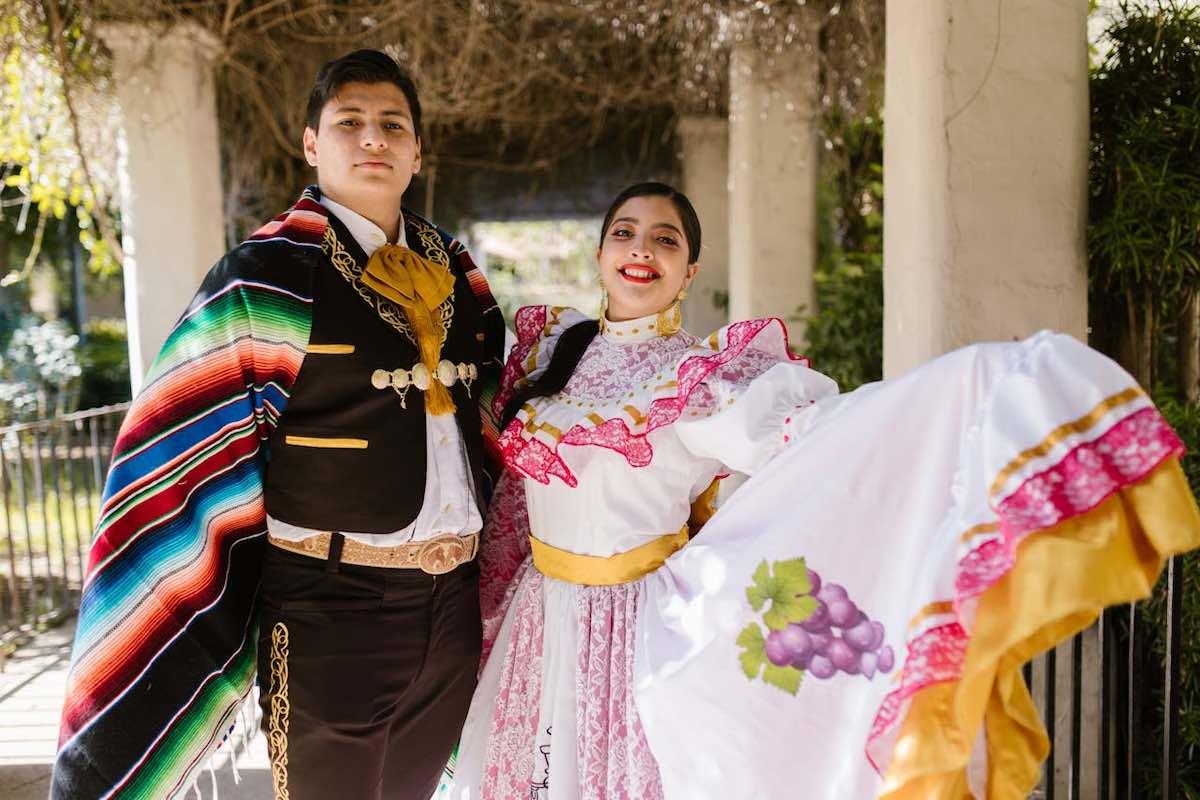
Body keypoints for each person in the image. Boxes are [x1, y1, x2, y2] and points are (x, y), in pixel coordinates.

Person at [446, 181, 1200, 799]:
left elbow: (812, 437)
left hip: (629, 636)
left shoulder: (701, 380)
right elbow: (513, 505)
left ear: (690, 271)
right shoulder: (549, 352)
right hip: (537, 627)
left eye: (666, 239)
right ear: (602, 250)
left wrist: (954, 389)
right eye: (627, 232)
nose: (642, 248)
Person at [52, 50, 505, 800]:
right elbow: (179, 440)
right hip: (330, 610)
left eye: (393, 126)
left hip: (451, 609)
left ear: (417, 150)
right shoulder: (265, 274)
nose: (373, 140)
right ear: (311, 145)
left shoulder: (456, 270)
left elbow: (493, 412)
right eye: (350, 123)